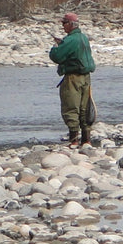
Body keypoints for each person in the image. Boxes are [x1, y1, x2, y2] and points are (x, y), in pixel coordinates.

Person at [49, 12, 96, 146]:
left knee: (71, 107)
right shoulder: (83, 38)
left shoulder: (70, 40)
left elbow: (57, 57)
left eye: (64, 23)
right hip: (86, 78)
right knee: (84, 108)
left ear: (71, 25)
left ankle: (73, 140)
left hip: (73, 78)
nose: (63, 26)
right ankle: (86, 140)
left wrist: (56, 46)